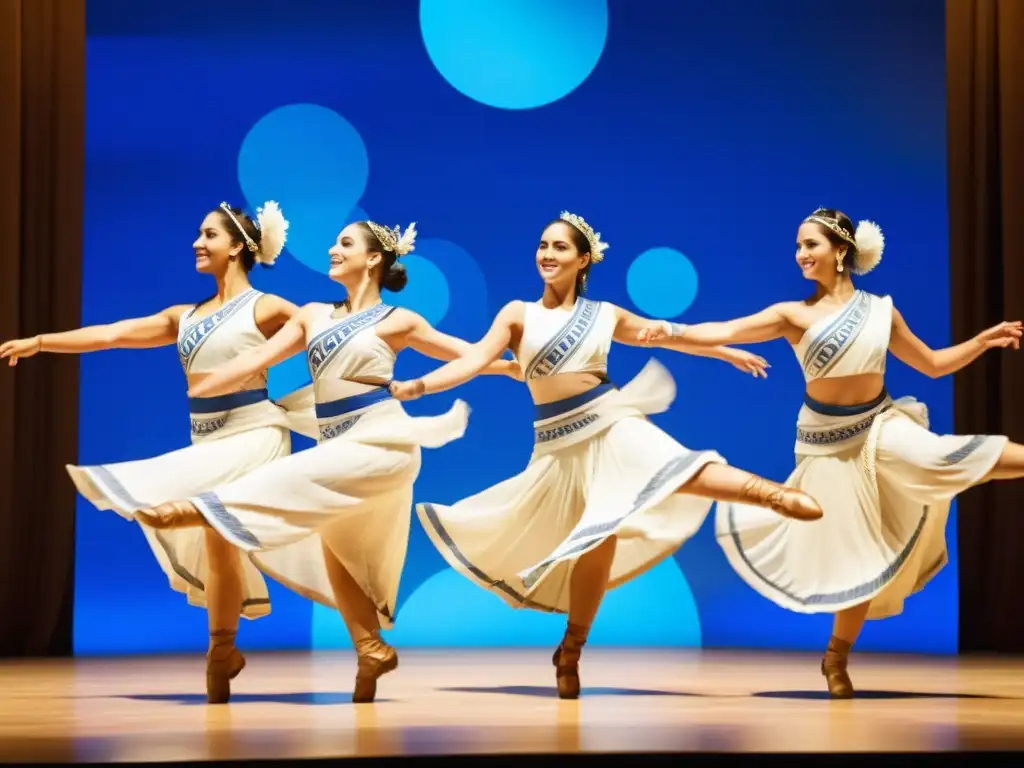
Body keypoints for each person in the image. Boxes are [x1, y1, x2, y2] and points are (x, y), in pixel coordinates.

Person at [387, 211, 823, 699]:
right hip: (557, 449)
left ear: (583, 260)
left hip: (610, 421)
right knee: (594, 546)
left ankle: (771, 495)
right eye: (542, 245)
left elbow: (672, 333)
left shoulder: (604, 314)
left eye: (559, 247)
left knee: (673, 466)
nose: (547, 254)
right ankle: (571, 650)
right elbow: (471, 361)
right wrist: (421, 385)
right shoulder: (517, 314)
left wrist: (725, 351)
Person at [125, 219, 520, 703]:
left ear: (374, 259)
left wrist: (513, 366)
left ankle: (193, 509)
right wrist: (215, 379)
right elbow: (262, 356)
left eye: (345, 244)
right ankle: (371, 649)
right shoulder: (313, 314)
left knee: (284, 480)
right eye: (334, 242)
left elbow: (470, 355)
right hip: (335, 448)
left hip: (380, 439)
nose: (333, 249)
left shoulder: (398, 320)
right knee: (336, 552)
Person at [638, 207, 1023, 697]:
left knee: (944, 456)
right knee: (855, 556)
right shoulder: (791, 315)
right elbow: (724, 330)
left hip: (880, 426)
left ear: (841, 251)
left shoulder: (881, 310)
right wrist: (670, 330)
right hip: (826, 446)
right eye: (798, 246)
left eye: (811, 245)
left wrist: (981, 341)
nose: (801, 254)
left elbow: (931, 364)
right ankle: (836, 659)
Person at [0, 200, 317, 702]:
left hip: (256, 435)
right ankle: (222, 652)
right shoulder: (184, 317)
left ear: (236, 246)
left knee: (206, 518)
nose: (197, 241)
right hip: (208, 440)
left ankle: (161, 510)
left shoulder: (267, 308)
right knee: (219, 545)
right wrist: (40, 342)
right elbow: (113, 335)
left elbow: (324, 338)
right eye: (198, 233)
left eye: (208, 234)